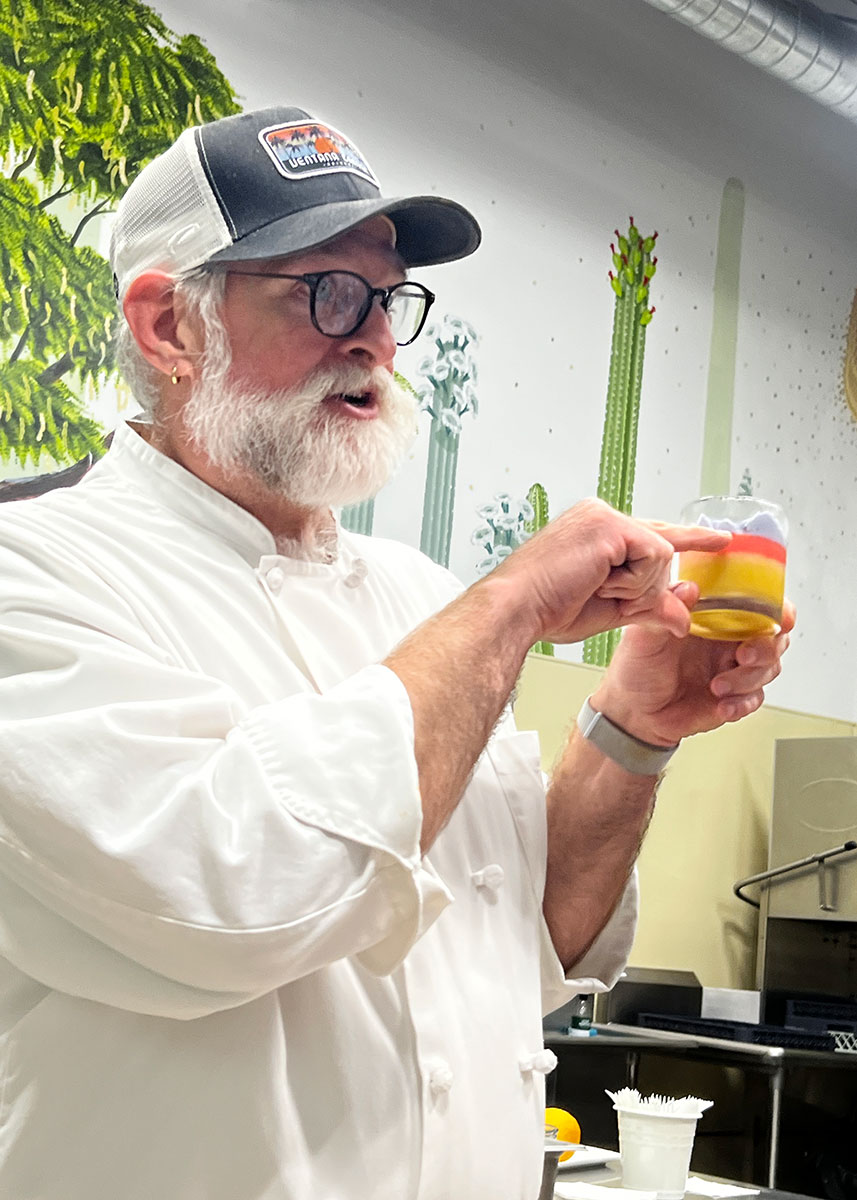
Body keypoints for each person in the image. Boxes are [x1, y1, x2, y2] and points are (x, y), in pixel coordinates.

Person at [0, 106, 791, 1200]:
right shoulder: (38, 572)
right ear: (169, 327)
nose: (373, 338)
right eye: (327, 292)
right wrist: (512, 601)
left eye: (389, 298)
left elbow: (530, 946)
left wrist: (631, 730)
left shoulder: (417, 596)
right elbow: (231, 900)